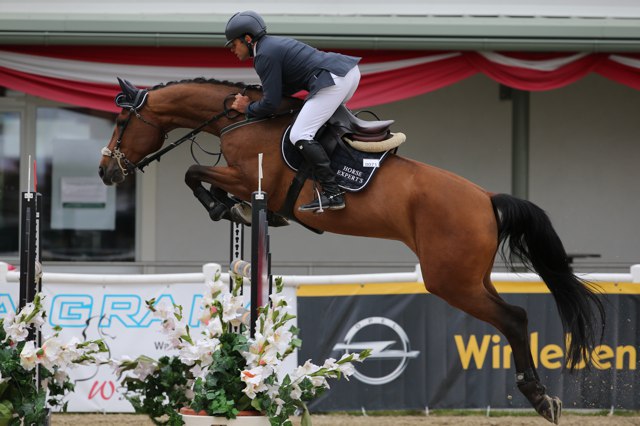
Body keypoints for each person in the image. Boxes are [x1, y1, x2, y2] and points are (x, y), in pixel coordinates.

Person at [225, 10, 361, 212]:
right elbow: (282, 92)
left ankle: (333, 192)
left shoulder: (263, 55)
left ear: (247, 38)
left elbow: (271, 103)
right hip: (347, 73)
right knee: (310, 127)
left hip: (334, 80)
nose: (232, 50)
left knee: (300, 134)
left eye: (233, 44)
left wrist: (248, 107)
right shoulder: (269, 46)